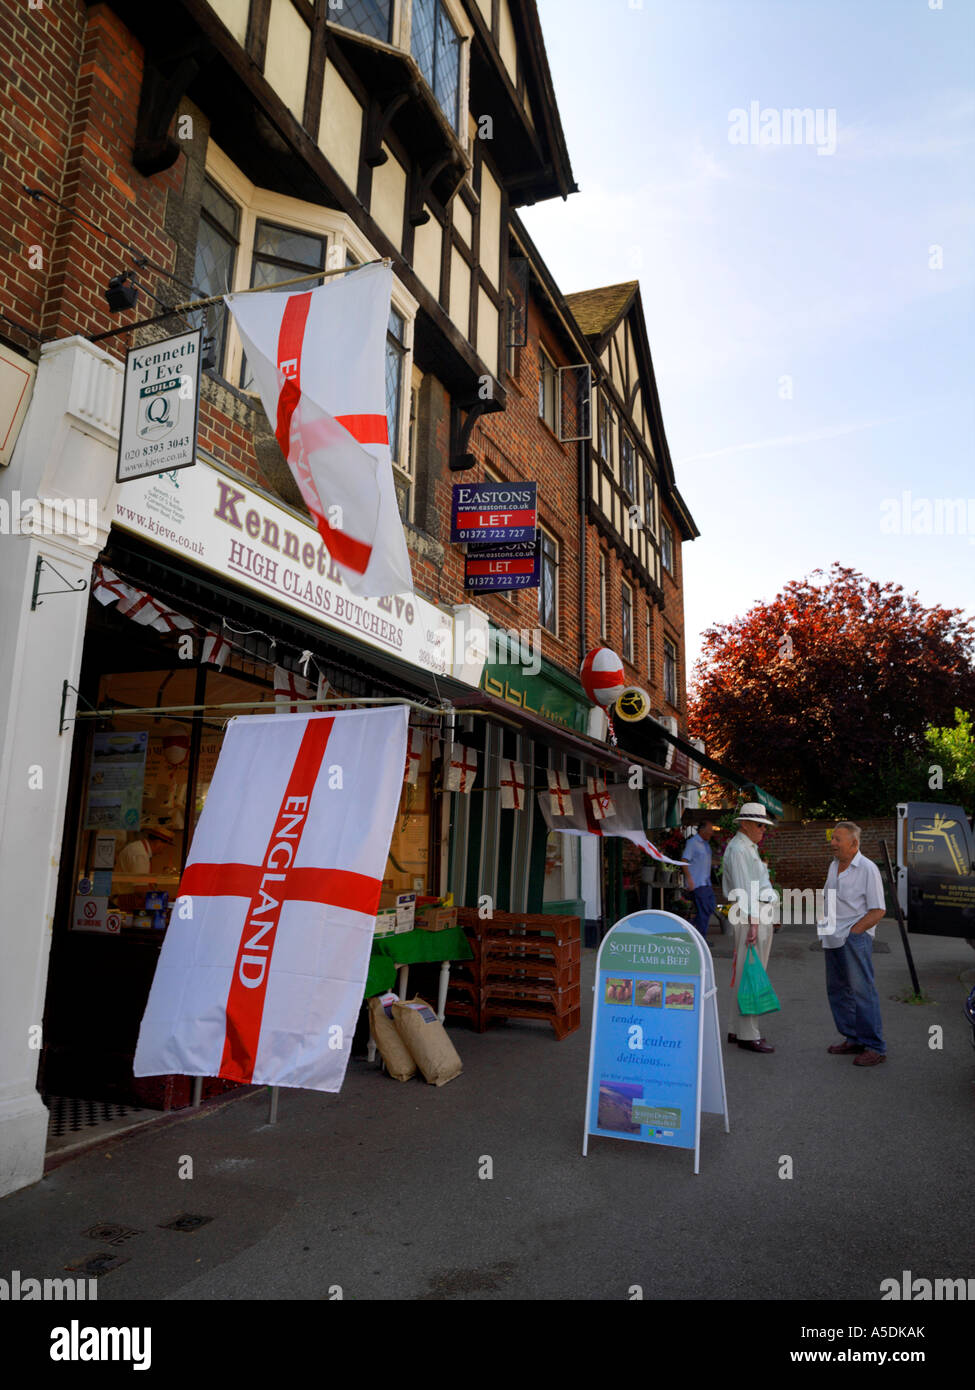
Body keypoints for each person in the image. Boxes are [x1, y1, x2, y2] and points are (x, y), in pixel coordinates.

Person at [820, 821, 887, 1066]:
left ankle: (875, 1046)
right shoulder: (834, 865)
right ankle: (854, 1038)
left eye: (838, 839)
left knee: (862, 991)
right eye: (833, 838)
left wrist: (854, 933)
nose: (833, 843)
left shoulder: (867, 869)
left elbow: (879, 909)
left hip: (853, 938)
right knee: (837, 991)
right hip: (832, 937)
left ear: (854, 843)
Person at [722, 802, 780, 1054]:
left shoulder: (746, 847)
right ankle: (748, 1034)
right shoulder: (739, 849)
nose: (762, 830)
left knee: (747, 973)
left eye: (764, 825)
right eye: (759, 825)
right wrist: (754, 923)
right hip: (750, 914)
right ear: (744, 824)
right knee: (752, 975)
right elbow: (744, 889)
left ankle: (737, 1029)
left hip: (754, 912)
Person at [682, 820, 718, 938]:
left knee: (710, 907)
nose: (711, 833)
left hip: (706, 883)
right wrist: (689, 879)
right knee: (703, 911)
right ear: (702, 830)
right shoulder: (692, 843)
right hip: (697, 883)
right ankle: (701, 938)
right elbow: (684, 861)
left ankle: (688, 929)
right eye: (710, 830)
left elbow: (705, 861)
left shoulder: (706, 844)